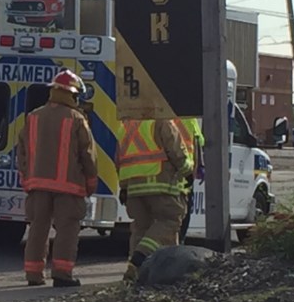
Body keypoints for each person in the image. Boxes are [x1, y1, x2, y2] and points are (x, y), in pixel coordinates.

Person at [16, 69, 98, 288]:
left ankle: (33, 275)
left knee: (37, 229)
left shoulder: (33, 117)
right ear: (72, 94)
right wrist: (90, 183)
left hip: (37, 185)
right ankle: (62, 274)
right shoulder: (77, 119)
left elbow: (21, 151)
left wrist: (26, 178)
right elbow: (88, 155)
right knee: (67, 229)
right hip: (69, 187)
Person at [116, 118, 192, 286]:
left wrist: (123, 186)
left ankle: (135, 273)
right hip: (160, 183)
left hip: (134, 188)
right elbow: (175, 150)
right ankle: (139, 259)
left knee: (141, 228)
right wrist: (188, 171)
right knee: (170, 221)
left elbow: (119, 159)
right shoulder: (162, 121)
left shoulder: (126, 126)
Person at [176, 117, 205, 244]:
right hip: (185, 175)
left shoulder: (161, 114)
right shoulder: (190, 120)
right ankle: (178, 245)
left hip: (164, 173)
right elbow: (198, 143)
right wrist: (200, 167)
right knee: (181, 217)